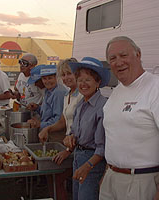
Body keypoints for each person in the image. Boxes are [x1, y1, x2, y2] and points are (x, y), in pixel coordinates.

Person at [100, 36, 159, 200]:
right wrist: (108, 173)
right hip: (111, 180)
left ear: (138, 55)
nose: (118, 62)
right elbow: (114, 138)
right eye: (113, 58)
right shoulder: (116, 91)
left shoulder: (158, 87)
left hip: (142, 183)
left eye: (123, 55)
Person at [64, 57, 110, 200]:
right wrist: (69, 137)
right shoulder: (81, 104)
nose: (83, 84)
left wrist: (88, 165)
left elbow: (102, 148)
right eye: (80, 80)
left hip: (93, 162)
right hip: (78, 156)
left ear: (98, 82)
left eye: (88, 80)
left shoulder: (103, 107)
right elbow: (73, 131)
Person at [38, 58, 82, 200]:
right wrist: (48, 129)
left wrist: (68, 151)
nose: (66, 78)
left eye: (69, 73)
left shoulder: (82, 95)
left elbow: (82, 128)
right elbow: (63, 121)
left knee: (59, 179)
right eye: (63, 75)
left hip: (78, 148)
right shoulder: (67, 95)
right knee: (55, 179)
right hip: (69, 145)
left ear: (77, 73)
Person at [27, 64, 67, 142]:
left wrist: (39, 124)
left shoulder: (58, 92)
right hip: (48, 132)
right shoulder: (48, 91)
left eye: (50, 78)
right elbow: (48, 112)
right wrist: (37, 108)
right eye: (44, 79)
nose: (47, 81)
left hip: (56, 135)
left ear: (56, 77)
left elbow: (58, 120)